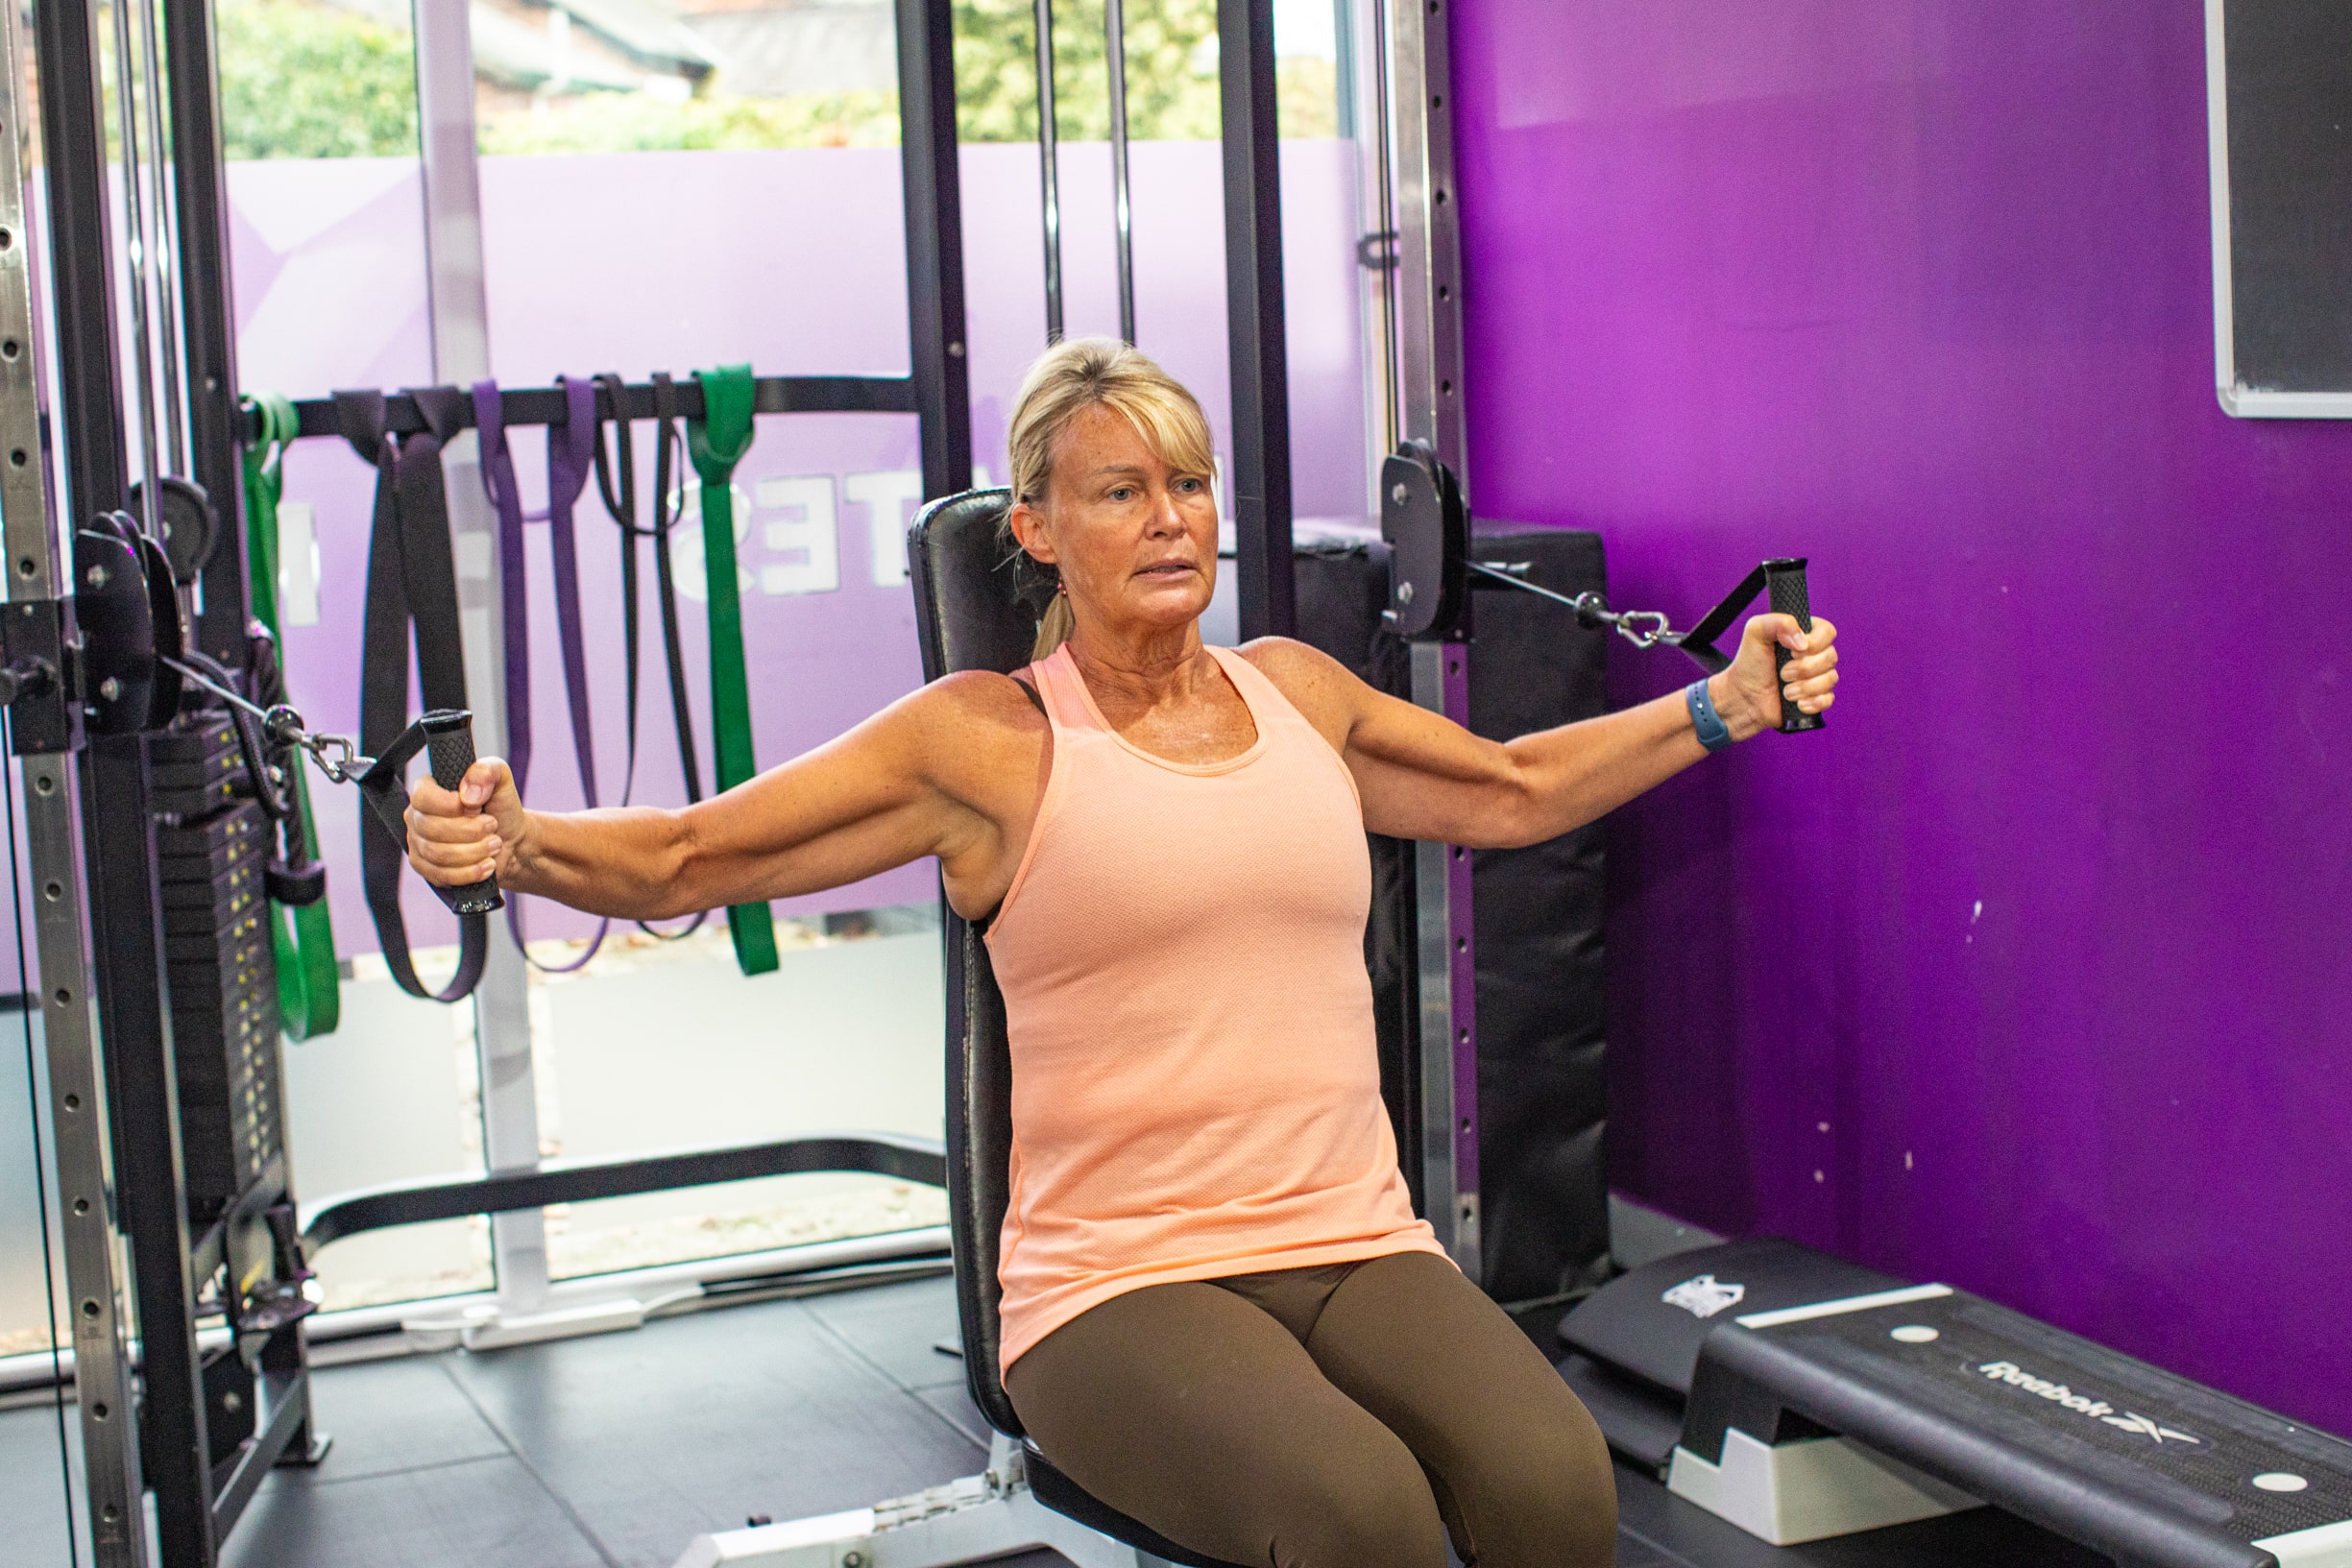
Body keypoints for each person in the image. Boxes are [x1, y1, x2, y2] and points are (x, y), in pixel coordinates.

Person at [407, 337, 1839, 1568]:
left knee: (1553, 1482)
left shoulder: (1299, 694)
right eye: (1120, 491)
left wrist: (1718, 706)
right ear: (1034, 528)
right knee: (1362, 1521)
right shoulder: (986, 738)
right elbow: (690, 853)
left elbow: (1512, 787)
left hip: (1346, 1234)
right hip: (1115, 1284)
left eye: (1189, 483)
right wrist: (516, 843)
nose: (1170, 520)